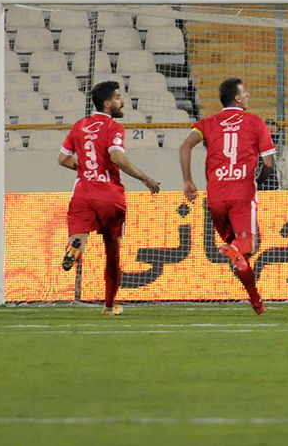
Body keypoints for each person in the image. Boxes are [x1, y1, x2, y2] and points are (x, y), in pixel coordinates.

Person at [59, 80, 161, 316]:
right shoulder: (114, 128)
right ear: (107, 104)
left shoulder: (79, 126)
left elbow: (63, 159)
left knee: (78, 236)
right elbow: (116, 156)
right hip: (109, 195)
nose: (121, 101)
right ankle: (108, 306)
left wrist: (84, 168)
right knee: (112, 250)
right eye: (117, 97)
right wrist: (145, 178)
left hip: (82, 192)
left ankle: (75, 248)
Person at [180, 77, 276, 314]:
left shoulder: (207, 123)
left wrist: (188, 180)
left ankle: (256, 302)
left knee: (238, 252)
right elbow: (269, 162)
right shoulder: (255, 122)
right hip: (242, 194)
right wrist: (259, 179)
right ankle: (236, 255)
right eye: (245, 93)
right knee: (245, 245)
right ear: (237, 97)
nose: (248, 96)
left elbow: (184, 146)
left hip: (216, 197)